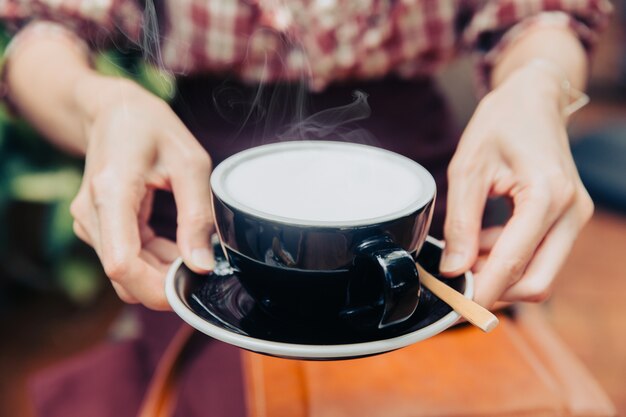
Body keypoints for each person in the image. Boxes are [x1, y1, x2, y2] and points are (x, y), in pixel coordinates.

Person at [0, 1, 612, 416]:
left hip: (420, 201)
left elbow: (542, 14)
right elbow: (40, 30)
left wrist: (535, 83)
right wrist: (100, 105)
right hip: (203, 195)